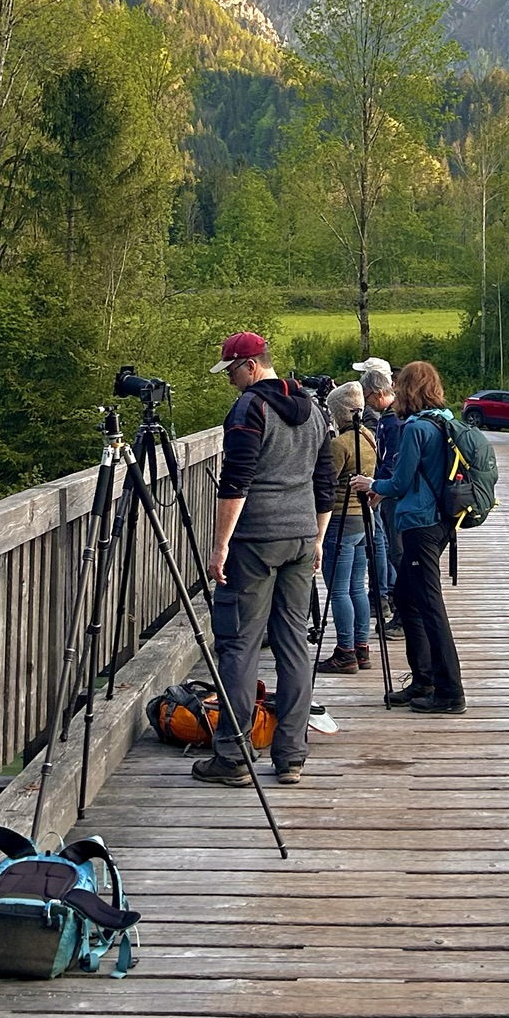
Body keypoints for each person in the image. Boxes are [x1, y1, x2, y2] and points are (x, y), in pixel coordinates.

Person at [197, 331, 334, 786]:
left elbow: (236, 481)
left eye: (232, 372)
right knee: (294, 643)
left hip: (255, 540)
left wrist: (220, 546)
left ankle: (233, 757)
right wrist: (317, 537)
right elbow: (324, 478)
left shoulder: (250, 408)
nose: (231, 382)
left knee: (239, 643)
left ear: (251, 366)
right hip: (299, 538)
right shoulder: (314, 408)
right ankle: (292, 755)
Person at [351, 359, 465, 714]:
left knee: (429, 606)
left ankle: (449, 691)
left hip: (420, 524)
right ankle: (424, 679)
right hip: (443, 521)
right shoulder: (446, 421)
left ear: (408, 389)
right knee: (407, 597)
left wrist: (371, 484)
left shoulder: (416, 428)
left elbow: (399, 482)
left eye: (400, 384)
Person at [319, 381, 377, 672]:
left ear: (338, 413)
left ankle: (345, 652)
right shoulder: (368, 438)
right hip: (363, 520)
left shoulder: (338, 445)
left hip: (340, 520)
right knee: (357, 586)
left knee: (338, 589)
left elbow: (326, 485)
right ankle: (362, 647)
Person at [355, 357, 401, 621]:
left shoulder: (393, 421)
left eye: (369, 396)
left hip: (390, 493)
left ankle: (385, 595)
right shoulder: (387, 418)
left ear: (381, 392)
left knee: (387, 544)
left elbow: (392, 463)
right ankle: (388, 594)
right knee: (386, 543)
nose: (367, 401)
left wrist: (378, 490)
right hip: (384, 489)